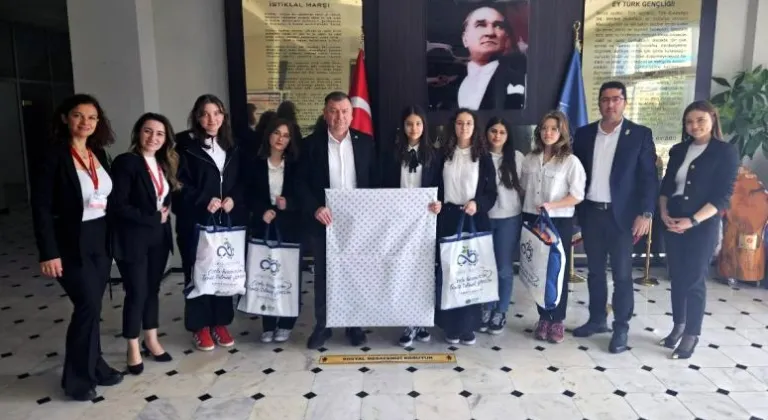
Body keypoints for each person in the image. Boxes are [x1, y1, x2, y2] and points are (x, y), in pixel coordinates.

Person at [31, 94, 123, 401]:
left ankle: (95, 365)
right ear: (65, 118)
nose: (85, 122)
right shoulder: (53, 156)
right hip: (71, 240)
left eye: (92, 117)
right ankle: (77, 379)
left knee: (93, 306)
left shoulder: (98, 153)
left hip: (100, 237)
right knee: (86, 306)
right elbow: (41, 207)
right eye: (78, 115)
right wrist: (48, 252)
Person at [571, 81, 658, 353]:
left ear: (624, 102)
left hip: (623, 218)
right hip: (592, 213)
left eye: (616, 99)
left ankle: (621, 327)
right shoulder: (584, 134)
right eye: (605, 99)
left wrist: (646, 213)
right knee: (595, 272)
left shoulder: (639, 135)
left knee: (622, 275)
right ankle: (597, 319)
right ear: (599, 102)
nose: (610, 104)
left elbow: (649, 178)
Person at [298, 91, 379, 350]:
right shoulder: (310, 145)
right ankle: (323, 326)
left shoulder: (366, 143)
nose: (339, 117)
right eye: (333, 111)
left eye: (344, 111)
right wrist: (315, 208)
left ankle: (354, 325)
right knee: (324, 275)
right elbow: (299, 183)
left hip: (357, 223)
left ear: (352, 115)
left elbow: (375, 180)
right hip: (324, 222)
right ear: (325, 114)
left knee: (355, 274)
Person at [658, 100, 739, 359]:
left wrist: (692, 220)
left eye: (700, 120)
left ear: (713, 119)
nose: (694, 126)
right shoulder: (679, 150)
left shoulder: (725, 152)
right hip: (672, 221)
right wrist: (664, 213)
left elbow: (722, 196)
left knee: (693, 279)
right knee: (677, 277)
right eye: (689, 122)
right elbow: (666, 186)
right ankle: (678, 325)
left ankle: (691, 334)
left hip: (701, 225)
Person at [109, 113, 179, 374]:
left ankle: (151, 339)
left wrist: (162, 213)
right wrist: (152, 217)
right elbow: (118, 205)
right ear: (138, 133)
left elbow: (163, 199)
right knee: (136, 292)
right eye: (148, 131)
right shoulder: (126, 162)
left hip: (158, 238)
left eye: (160, 133)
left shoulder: (163, 163)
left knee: (152, 290)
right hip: (133, 239)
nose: (153, 138)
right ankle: (132, 346)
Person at [177, 94, 246, 351]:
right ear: (197, 117)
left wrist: (233, 199)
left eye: (216, 113)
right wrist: (203, 199)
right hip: (197, 222)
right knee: (199, 272)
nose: (211, 119)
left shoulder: (233, 145)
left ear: (223, 116)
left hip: (226, 222)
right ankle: (200, 326)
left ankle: (220, 323)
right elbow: (178, 185)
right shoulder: (184, 146)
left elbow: (242, 180)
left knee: (223, 271)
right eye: (205, 114)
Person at [520, 111, 586, 343]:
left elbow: (577, 195)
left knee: (556, 271)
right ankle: (543, 318)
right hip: (533, 218)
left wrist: (552, 205)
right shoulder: (530, 158)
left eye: (554, 129)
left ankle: (557, 320)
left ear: (562, 132)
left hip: (557, 221)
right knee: (538, 269)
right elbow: (522, 188)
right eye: (544, 128)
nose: (548, 133)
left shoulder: (570, 161)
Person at [381, 105, 442, 347]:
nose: (414, 128)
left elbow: (440, 186)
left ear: (424, 126)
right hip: (397, 222)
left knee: (424, 271)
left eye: (418, 123)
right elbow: (383, 185)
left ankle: (422, 321)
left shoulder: (434, 155)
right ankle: (407, 322)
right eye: (409, 124)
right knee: (402, 270)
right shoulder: (392, 153)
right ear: (403, 126)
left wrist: (439, 203)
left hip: (424, 223)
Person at [436, 108, 497, 345]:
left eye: (468, 123)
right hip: (448, 219)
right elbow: (435, 185)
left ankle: (468, 326)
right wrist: (437, 203)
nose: (464, 127)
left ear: (474, 127)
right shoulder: (443, 153)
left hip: (474, 218)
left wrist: (477, 204)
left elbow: (491, 193)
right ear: (454, 126)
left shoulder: (483, 156)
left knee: (471, 274)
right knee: (451, 272)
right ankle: (451, 326)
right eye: (460, 123)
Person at [244, 118, 302, 344]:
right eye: (277, 133)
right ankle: (267, 324)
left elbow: (304, 194)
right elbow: (247, 194)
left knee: (287, 276)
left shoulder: (296, 164)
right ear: (268, 134)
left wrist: (289, 204)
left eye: (286, 135)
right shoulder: (255, 163)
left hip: (290, 227)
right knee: (265, 275)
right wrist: (261, 211)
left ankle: (286, 323)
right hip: (263, 227)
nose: (281, 139)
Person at [481, 116, 524, 335]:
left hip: (509, 219)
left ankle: (501, 310)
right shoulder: (479, 156)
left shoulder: (517, 158)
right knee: (485, 267)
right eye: (493, 131)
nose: (497, 136)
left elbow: (525, 188)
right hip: (484, 218)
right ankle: (487, 307)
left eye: (502, 132)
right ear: (486, 133)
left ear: (508, 136)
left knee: (504, 268)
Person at [457, 6, 526, 110]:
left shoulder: (520, 80)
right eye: (481, 25)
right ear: (465, 39)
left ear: (506, 37)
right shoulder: (451, 84)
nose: (490, 33)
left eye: (498, 26)